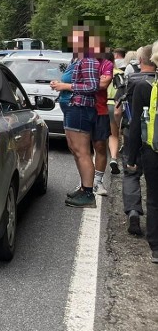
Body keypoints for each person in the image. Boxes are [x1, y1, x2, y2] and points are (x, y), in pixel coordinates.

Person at [50, 24, 100, 208]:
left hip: (80, 109)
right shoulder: (76, 59)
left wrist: (66, 87)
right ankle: (83, 188)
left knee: (82, 151)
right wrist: (60, 85)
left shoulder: (88, 59)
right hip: (71, 108)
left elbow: (92, 86)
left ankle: (88, 193)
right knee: (74, 149)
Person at [121, 44, 157, 236]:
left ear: (140, 61)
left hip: (134, 133)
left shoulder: (133, 80)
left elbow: (122, 111)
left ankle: (133, 212)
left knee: (131, 174)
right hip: (154, 140)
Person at [88, 45, 114, 196]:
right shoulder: (82, 62)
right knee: (82, 150)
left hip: (100, 110)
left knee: (100, 147)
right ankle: (86, 183)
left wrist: (86, 83)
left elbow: (104, 84)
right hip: (82, 109)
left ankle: (97, 182)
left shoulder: (107, 64)